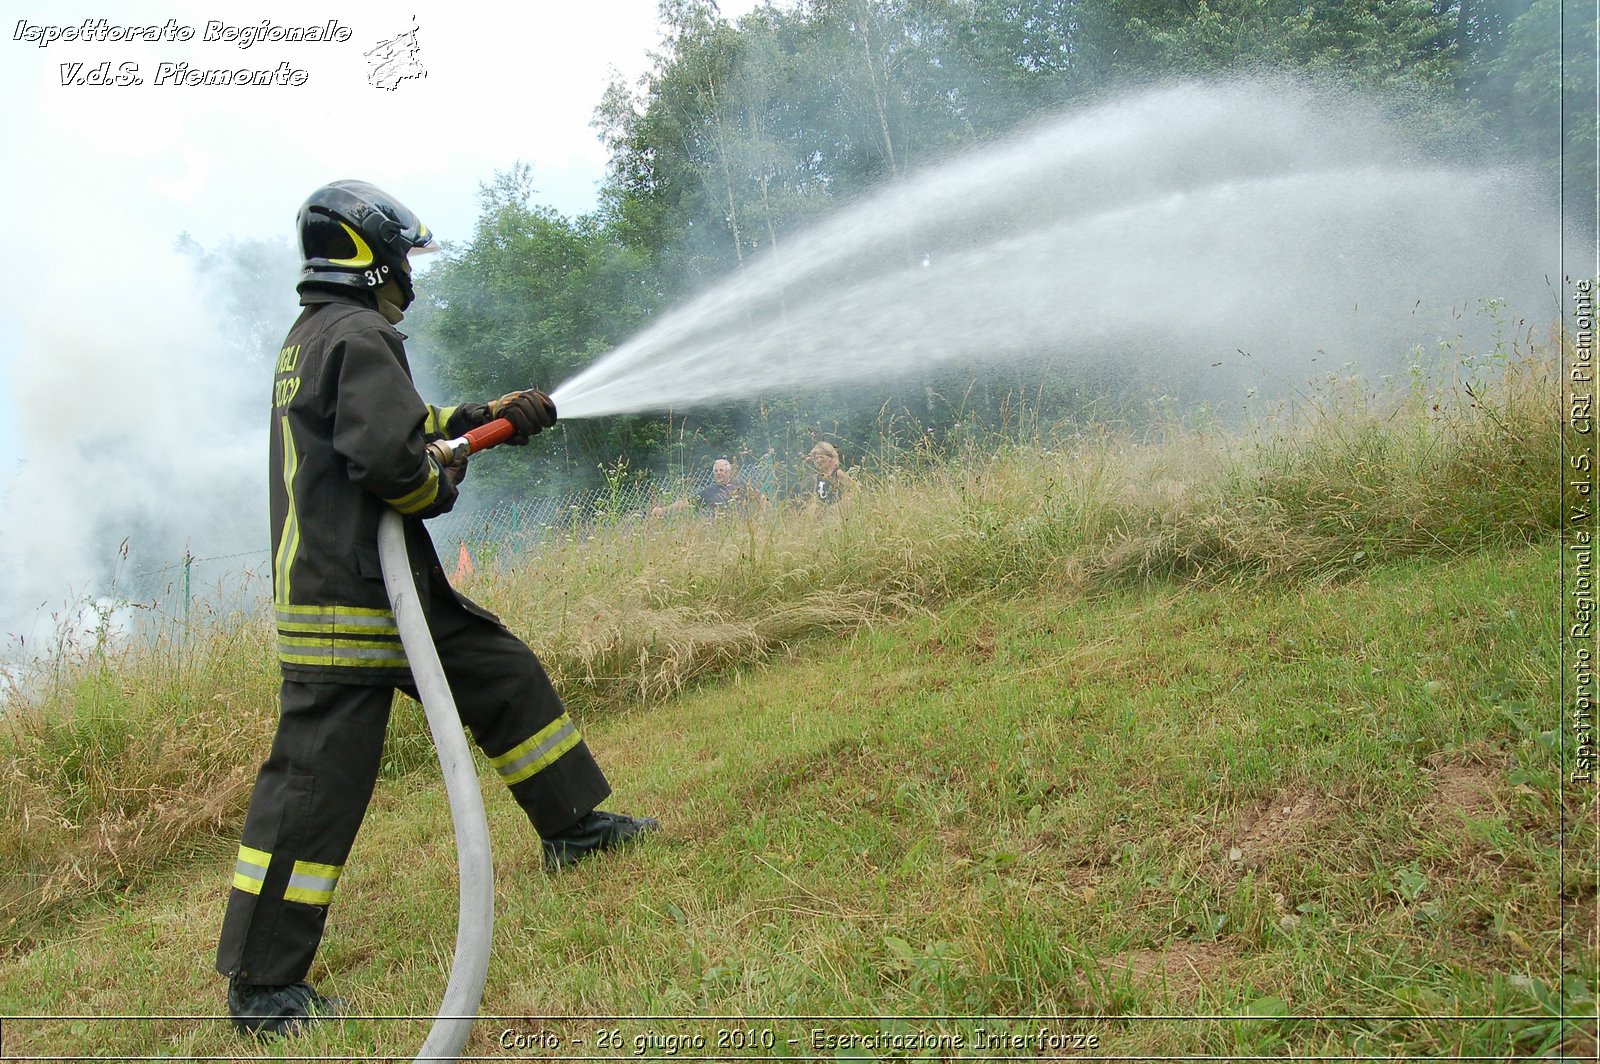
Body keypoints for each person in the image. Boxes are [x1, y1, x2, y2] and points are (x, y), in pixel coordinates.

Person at [216, 180, 657, 1037]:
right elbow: (396, 462)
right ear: (370, 260)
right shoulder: (361, 333)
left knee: (502, 676)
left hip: (387, 591)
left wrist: (490, 419)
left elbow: (404, 423)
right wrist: (440, 476)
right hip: (349, 603)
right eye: (403, 260)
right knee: (314, 788)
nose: (409, 277)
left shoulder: (321, 335)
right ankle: (262, 986)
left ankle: (573, 826)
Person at [650, 457, 765, 517]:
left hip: (741, 529)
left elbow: (760, 498)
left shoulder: (740, 484)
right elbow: (686, 502)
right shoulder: (710, 492)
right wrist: (663, 510)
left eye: (721, 470)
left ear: (729, 472)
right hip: (720, 532)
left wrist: (761, 516)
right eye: (716, 471)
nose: (718, 473)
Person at [805, 441, 857, 511]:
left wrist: (841, 505)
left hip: (839, 515)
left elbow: (854, 489)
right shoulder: (818, 477)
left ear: (830, 457)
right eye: (816, 458)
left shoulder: (838, 473)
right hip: (824, 516)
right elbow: (818, 498)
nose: (818, 460)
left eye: (821, 457)